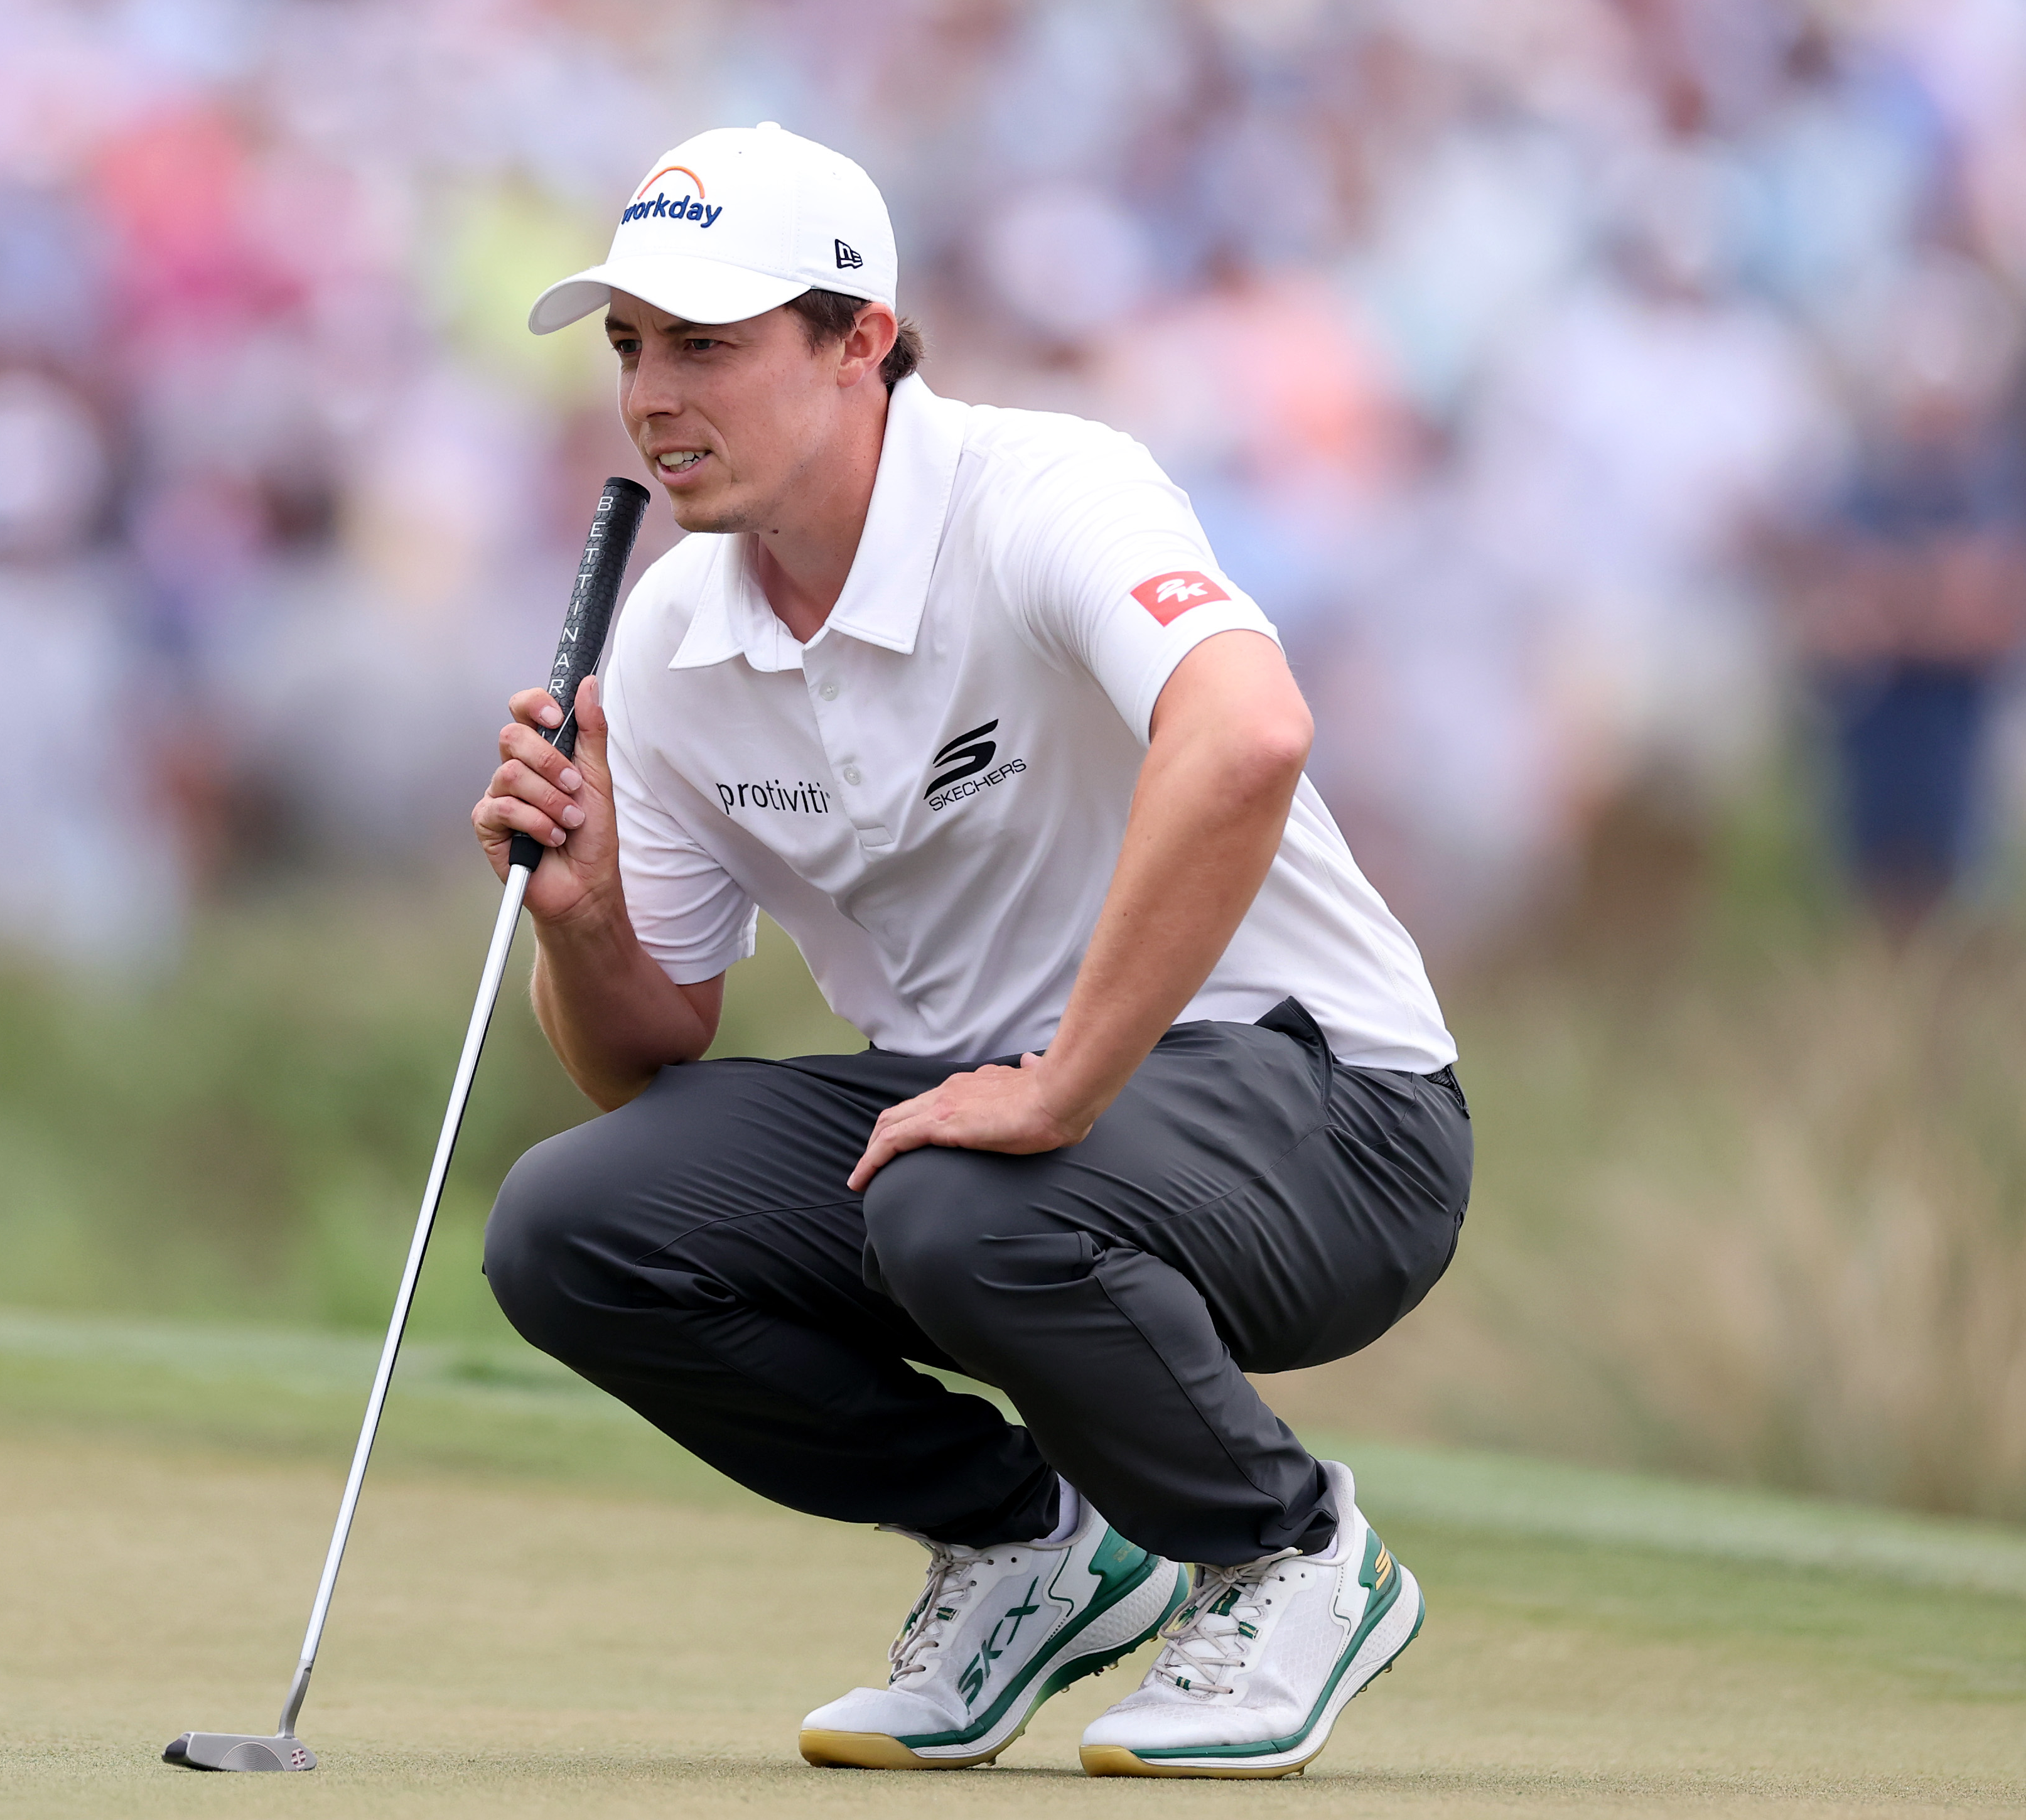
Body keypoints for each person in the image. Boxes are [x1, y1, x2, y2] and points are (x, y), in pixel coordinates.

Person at [473, 124, 1471, 1779]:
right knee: (573, 1223)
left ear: (860, 340)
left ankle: (1294, 1554)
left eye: (707, 345)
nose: (651, 395)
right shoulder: (670, 639)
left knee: (962, 1194)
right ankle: (1036, 1541)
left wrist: (1058, 1083)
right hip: (992, 1135)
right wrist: (583, 922)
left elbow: (1248, 736)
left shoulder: (1043, 492)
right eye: (631, 346)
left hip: (1334, 1113)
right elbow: (644, 1058)